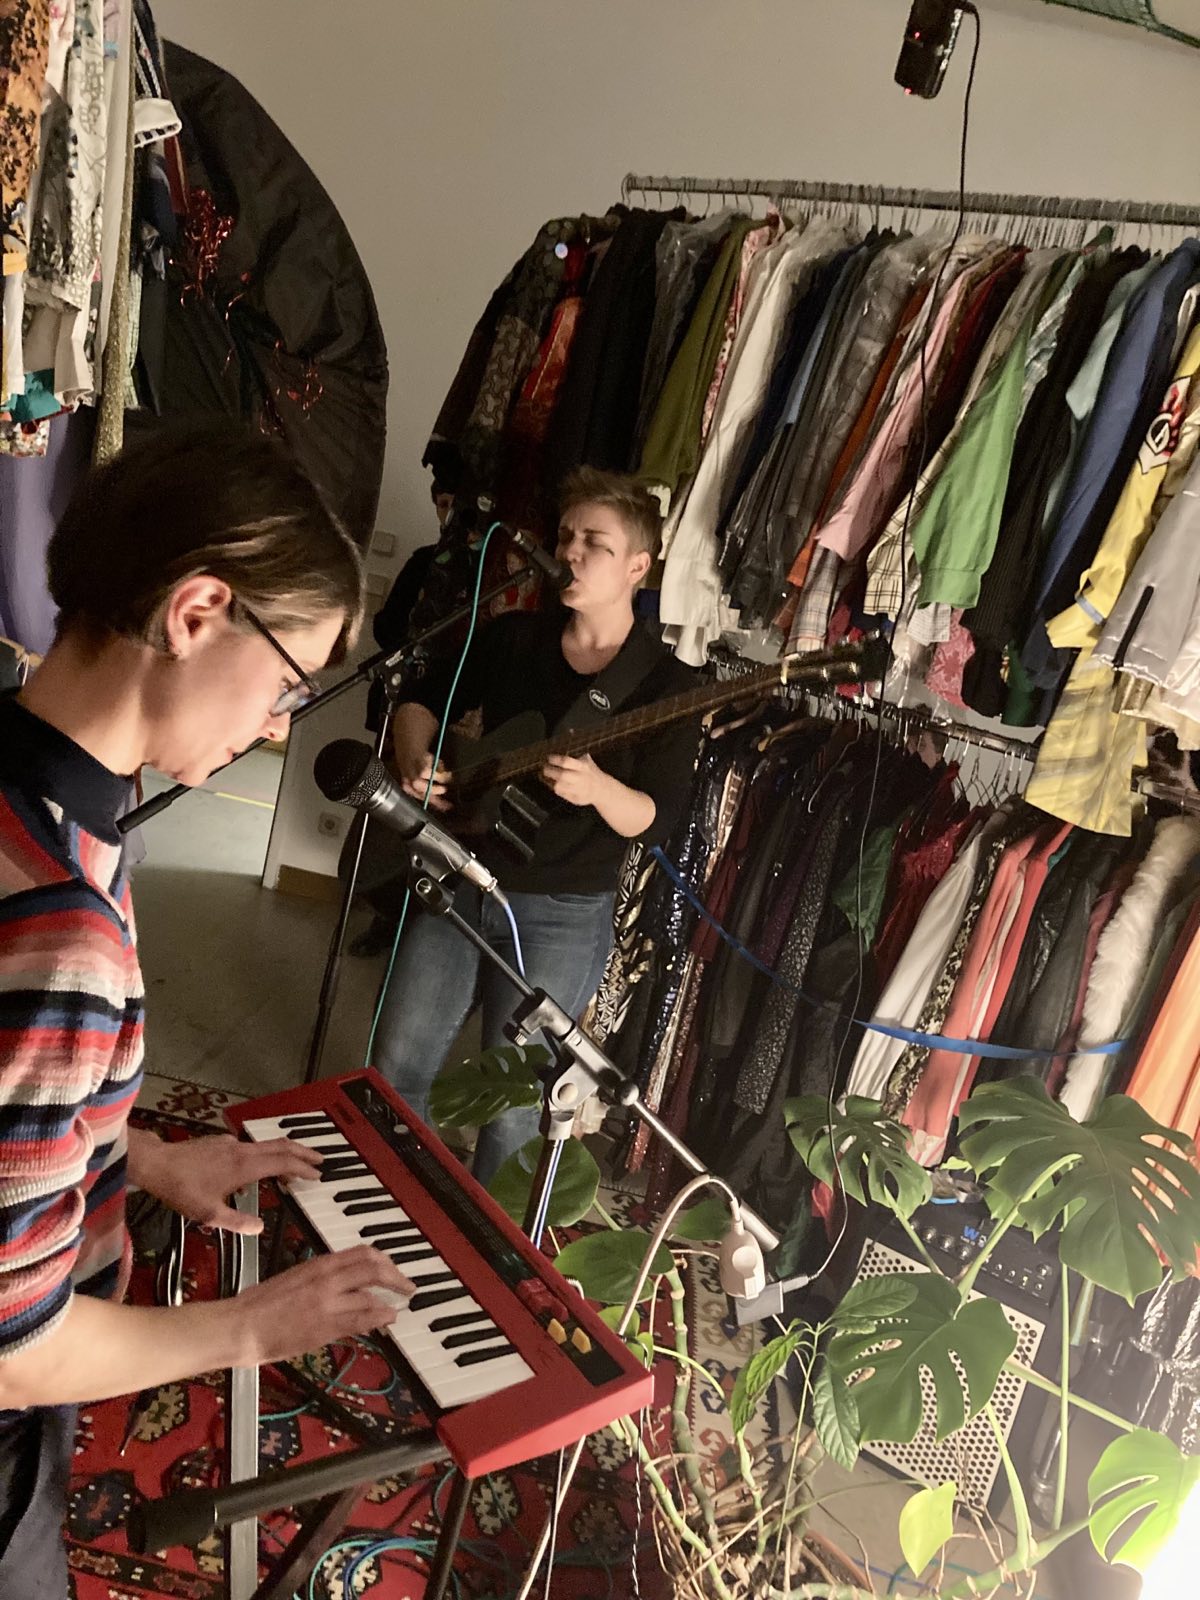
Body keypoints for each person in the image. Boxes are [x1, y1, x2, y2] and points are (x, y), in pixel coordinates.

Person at [0, 424, 412, 1599]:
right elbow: (16, 1348)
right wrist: (251, 1330)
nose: (278, 724)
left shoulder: (39, 794)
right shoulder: (64, 925)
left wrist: (130, 1153)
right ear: (196, 612)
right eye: (287, 681)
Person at [373, 467, 701, 1183]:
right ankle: (387, 1206)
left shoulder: (669, 685)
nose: (571, 553)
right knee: (395, 1067)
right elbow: (421, 697)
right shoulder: (514, 636)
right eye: (566, 537)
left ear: (638, 566)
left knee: (515, 1106)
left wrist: (600, 789)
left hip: (561, 912)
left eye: (595, 543)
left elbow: (656, 819)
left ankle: (480, 1237)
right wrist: (416, 753)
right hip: (460, 881)